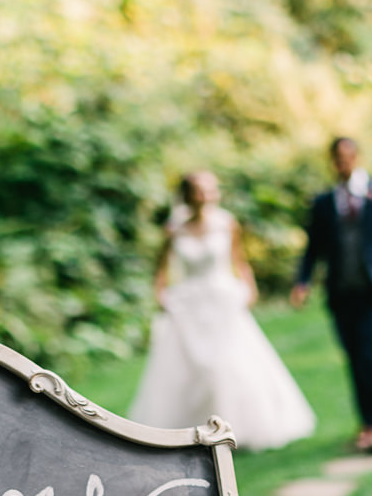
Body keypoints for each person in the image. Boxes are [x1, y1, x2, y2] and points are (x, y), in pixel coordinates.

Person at [128, 170, 316, 449]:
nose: (206, 195)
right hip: (190, 305)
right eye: (199, 190)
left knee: (230, 363)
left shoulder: (226, 223)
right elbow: (162, 267)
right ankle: (194, 430)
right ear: (188, 195)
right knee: (192, 368)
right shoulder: (174, 228)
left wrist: (249, 288)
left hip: (223, 301)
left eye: (210, 189)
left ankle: (237, 427)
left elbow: (239, 260)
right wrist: (161, 295)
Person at [291, 136, 372, 452]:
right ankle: (366, 424)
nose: (343, 162)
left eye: (347, 156)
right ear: (332, 161)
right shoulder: (323, 202)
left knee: (370, 355)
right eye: (337, 158)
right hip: (340, 292)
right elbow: (313, 248)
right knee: (354, 357)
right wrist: (302, 282)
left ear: (356, 156)